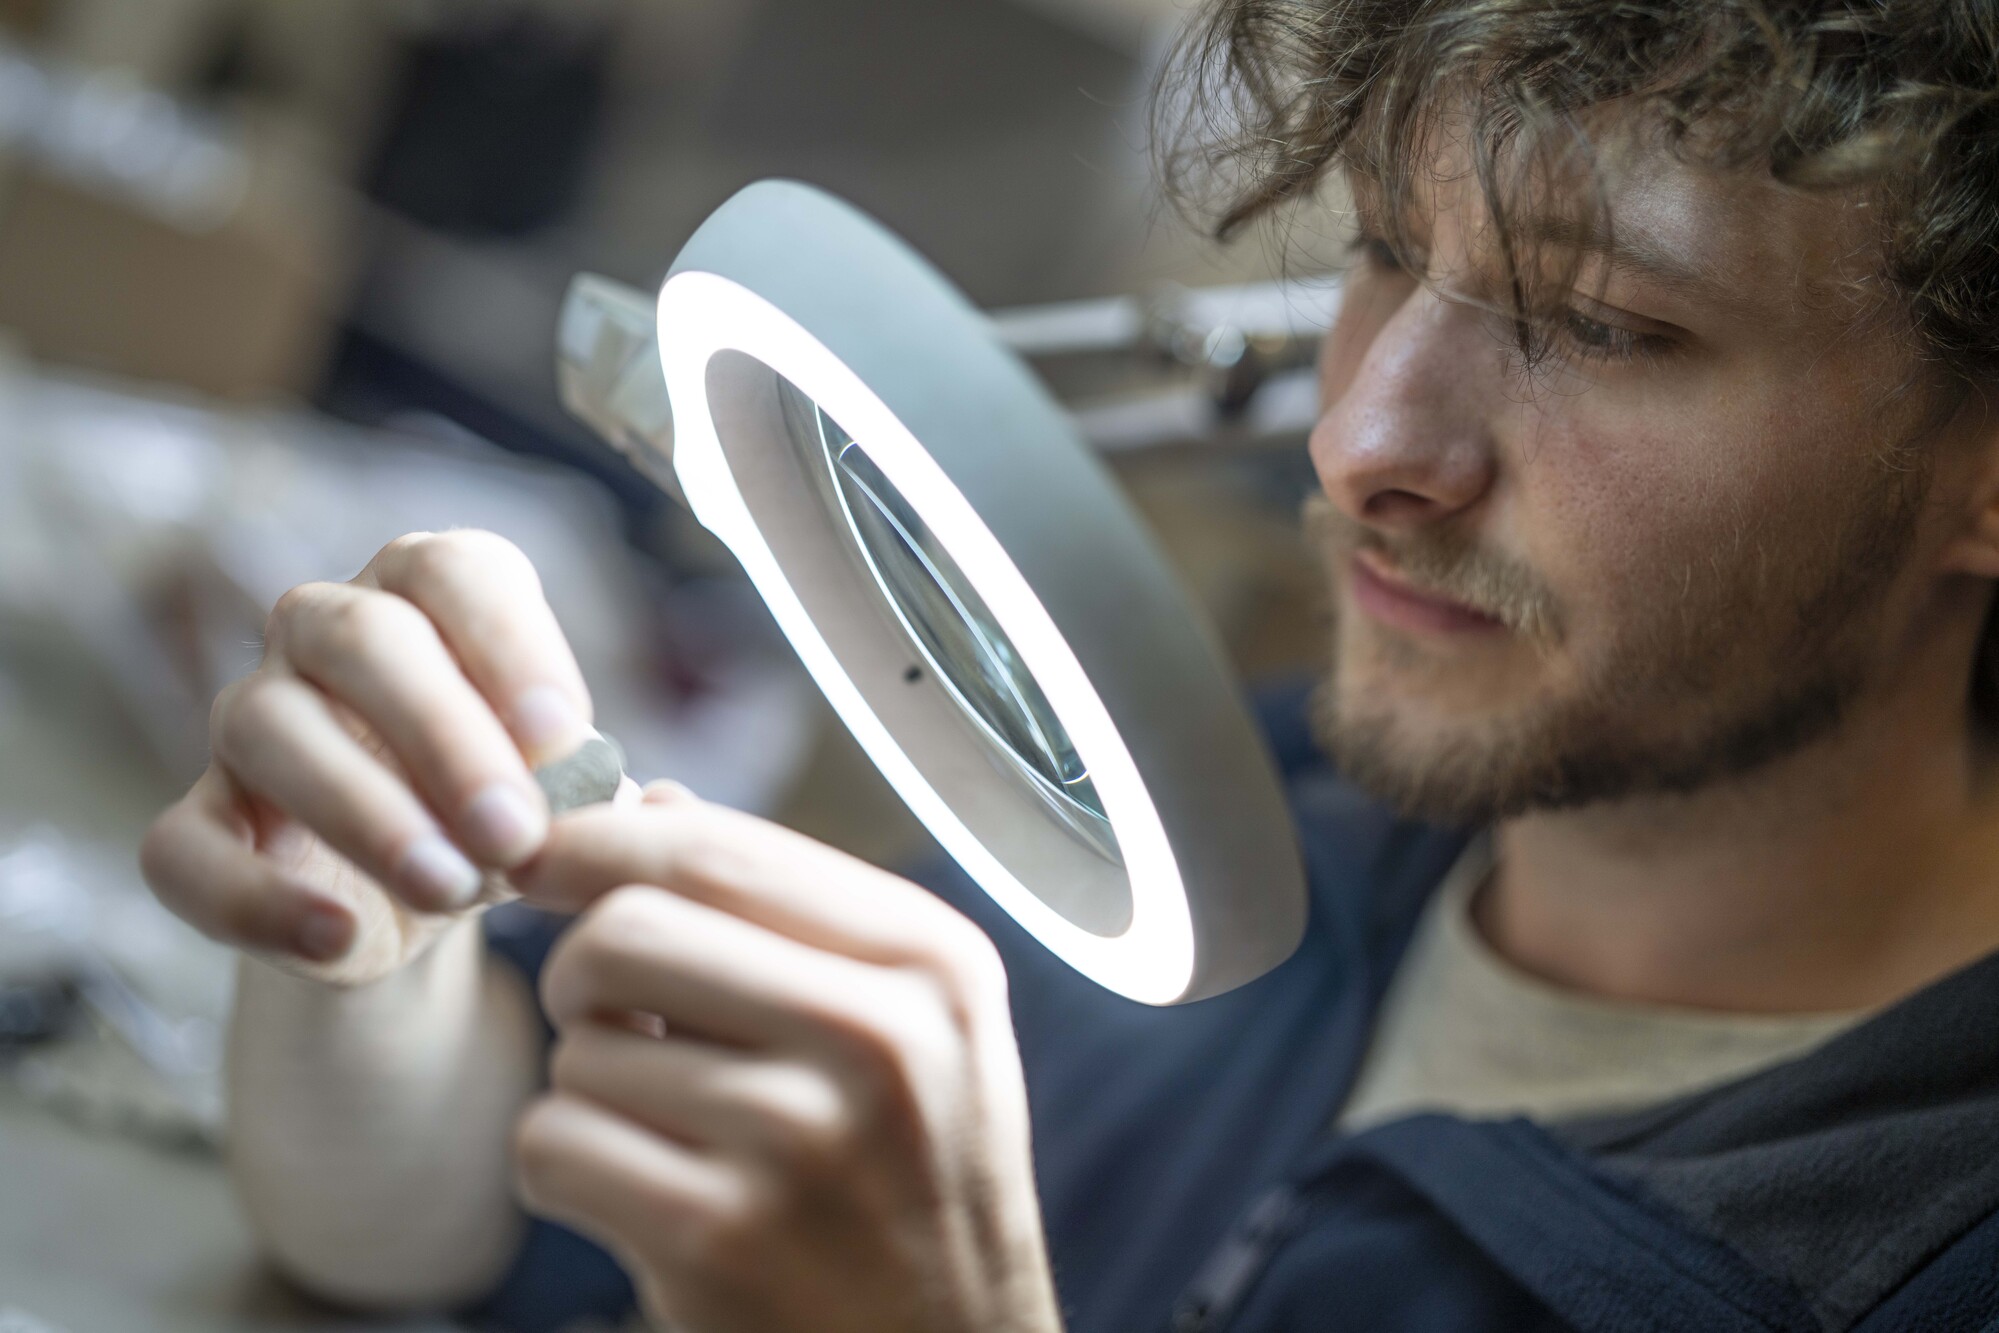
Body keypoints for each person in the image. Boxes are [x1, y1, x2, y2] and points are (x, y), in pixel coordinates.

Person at [140, 0, 1999, 1329]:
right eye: (1380, 250)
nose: (1360, 441)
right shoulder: (1236, 836)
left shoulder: (1906, 1245)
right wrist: (369, 942)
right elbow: (445, 1230)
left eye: (1603, 325)